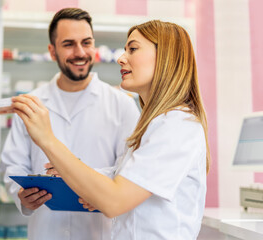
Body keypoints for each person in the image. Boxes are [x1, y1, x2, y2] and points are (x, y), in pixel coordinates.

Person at [11, 20, 211, 240]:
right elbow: (123, 180)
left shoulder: (177, 124)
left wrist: (47, 139)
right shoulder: (155, 124)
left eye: (132, 49)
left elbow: (114, 200)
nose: (121, 58)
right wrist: (74, 175)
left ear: (166, 57)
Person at [1, 8, 140, 240]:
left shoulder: (121, 105)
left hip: (99, 232)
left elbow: (129, 172)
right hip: (46, 232)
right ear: (52, 51)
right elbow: (13, 167)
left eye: (86, 42)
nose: (80, 52)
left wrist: (81, 175)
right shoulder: (30, 105)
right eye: (68, 44)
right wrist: (21, 195)